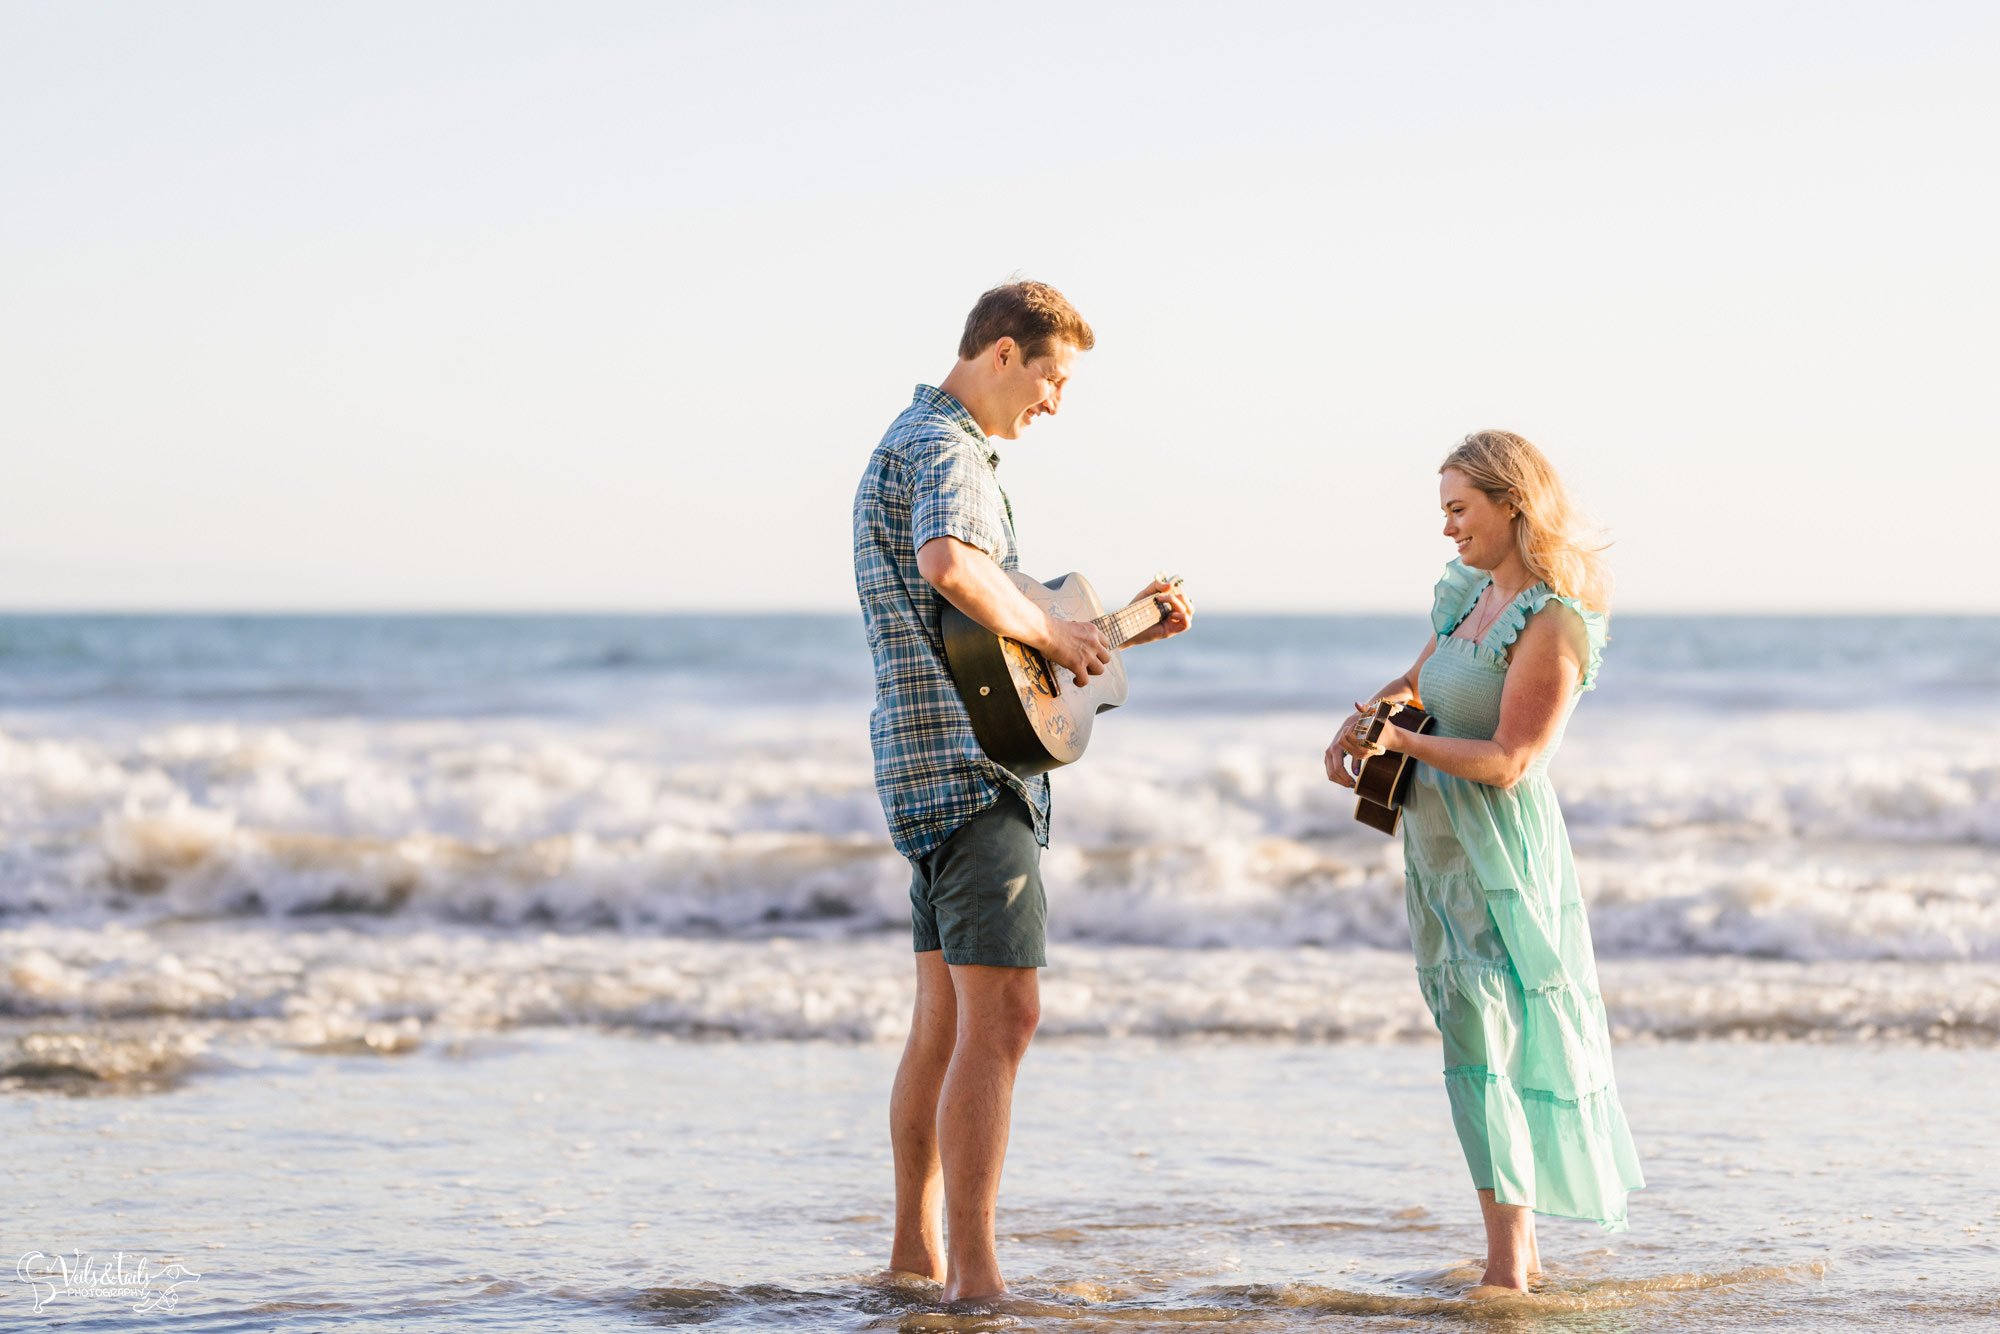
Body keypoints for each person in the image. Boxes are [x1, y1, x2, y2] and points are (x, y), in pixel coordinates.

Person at [852, 281, 1193, 1302]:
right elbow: (954, 566)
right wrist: (1051, 629)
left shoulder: (910, 440)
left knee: (944, 1022)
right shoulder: (948, 448)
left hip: (921, 764)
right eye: (1053, 375)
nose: (1055, 401)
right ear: (1003, 353)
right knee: (1003, 1017)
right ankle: (975, 1274)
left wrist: (1109, 626)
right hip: (968, 772)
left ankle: (918, 1253)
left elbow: (990, 620)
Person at [1325, 430, 1643, 1294]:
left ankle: (1509, 1265)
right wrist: (1364, 722)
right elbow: (1419, 681)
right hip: (1438, 852)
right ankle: (1519, 1253)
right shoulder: (1469, 595)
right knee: (1472, 1042)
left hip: (1500, 856)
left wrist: (1398, 740)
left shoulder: (1554, 619)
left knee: (1490, 1048)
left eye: (1460, 510)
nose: (1448, 529)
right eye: (1444, 512)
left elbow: (1511, 758)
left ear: (1513, 504)